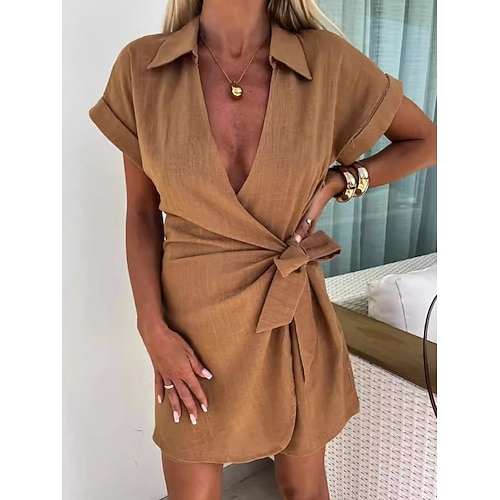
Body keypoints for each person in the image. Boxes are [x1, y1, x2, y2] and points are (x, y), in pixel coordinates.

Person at [89, 0, 437, 498]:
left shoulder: (324, 61)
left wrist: (340, 181)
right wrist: (152, 329)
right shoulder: (142, 67)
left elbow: (426, 140)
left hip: (290, 311)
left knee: (304, 489)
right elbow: (142, 215)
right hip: (191, 327)